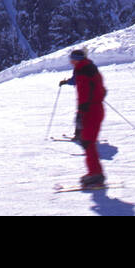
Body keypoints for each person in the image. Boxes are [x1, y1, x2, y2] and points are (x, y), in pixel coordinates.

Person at [59, 49, 107, 188]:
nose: (70, 62)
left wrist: (81, 113)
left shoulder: (82, 71)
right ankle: (95, 173)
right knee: (88, 141)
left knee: (88, 142)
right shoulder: (89, 68)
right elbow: (101, 90)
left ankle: (96, 176)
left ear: (77, 59)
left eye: (72, 59)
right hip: (96, 109)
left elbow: (84, 94)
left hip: (91, 112)